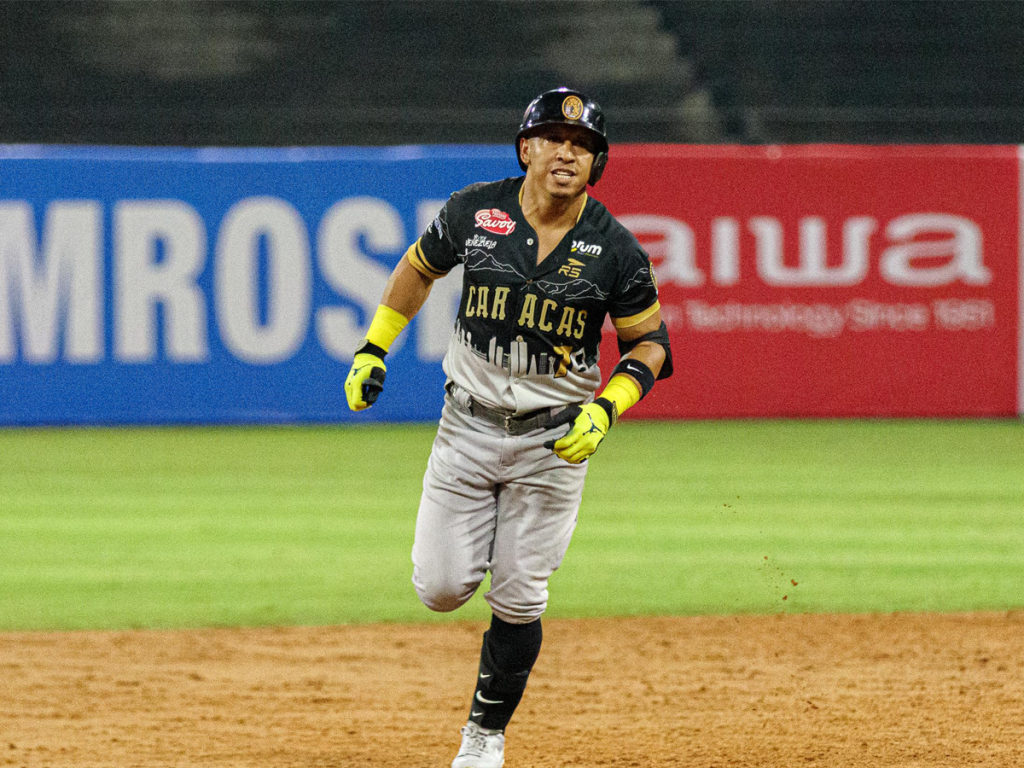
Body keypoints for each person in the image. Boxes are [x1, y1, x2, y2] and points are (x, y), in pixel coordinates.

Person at [344, 87, 672, 768]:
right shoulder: (476, 211)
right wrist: (373, 347)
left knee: (521, 596)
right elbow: (417, 267)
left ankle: (484, 735)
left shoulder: (614, 250)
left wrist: (605, 408)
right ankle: (491, 550)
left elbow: (650, 346)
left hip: (554, 441)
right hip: (465, 428)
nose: (566, 152)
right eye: (553, 138)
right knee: (438, 589)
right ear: (525, 149)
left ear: (597, 164)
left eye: (582, 145)